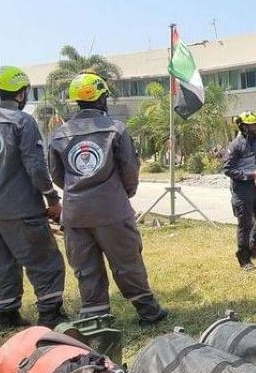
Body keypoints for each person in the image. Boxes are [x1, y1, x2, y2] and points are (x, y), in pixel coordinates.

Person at [48, 73, 167, 327]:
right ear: (102, 98)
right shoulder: (115, 128)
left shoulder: (60, 134)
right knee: (127, 261)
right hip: (112, 210)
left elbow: (58, 175)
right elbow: (129, 168)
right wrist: (123, 193)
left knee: (86, 267)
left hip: (76, 214)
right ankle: (148, 312)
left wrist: (78, 191)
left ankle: (96, 319)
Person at [0, 66, 69, 330]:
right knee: (44, 260)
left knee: (1, 263)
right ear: (22, 93)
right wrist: (51, 198)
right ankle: (50, 313)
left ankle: (7, 315)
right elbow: (35, 166)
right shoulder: (22, 122)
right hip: (20, 209)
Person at [222, 111, 256, 271]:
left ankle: (253, 248)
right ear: (243, 127)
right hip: (242, 190)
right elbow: (228, 169)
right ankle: (243, 257)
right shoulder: (236, 145)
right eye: (253, 125)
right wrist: (250, 175)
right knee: (245, 224)